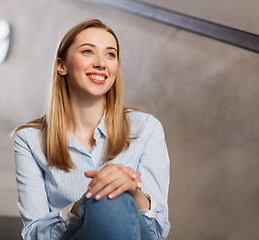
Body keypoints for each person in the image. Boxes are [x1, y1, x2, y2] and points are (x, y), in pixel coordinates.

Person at [13, 19, 170, 240]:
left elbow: (157, 233)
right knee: (103, 197)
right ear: (62, 65)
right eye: (88, 51)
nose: (101, 63)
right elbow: (34, 235)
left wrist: (132, 191)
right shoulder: (29, 140)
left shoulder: (146, 129)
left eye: (110, 54)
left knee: (111, 197)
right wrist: (81, 206)